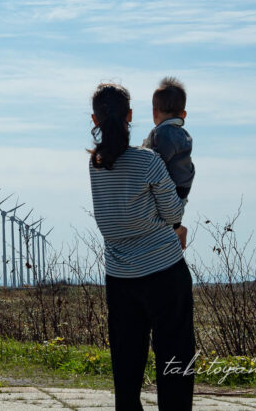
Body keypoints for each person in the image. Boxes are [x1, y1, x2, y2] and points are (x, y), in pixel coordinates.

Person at [88, 82, 195, 410]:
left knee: (127, 363)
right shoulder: (148, 161)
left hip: (120, 276)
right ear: (131, 115)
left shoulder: (96, 166)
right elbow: (173, 212)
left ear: (95, 119)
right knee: (175, 358)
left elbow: (109, 218)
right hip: (164, 270)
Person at [142, 77, 195, 250]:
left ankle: (179, 231)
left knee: (162, 217)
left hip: (173, 183)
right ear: (183, 114)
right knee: (170, 219)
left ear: (154, 112)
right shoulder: (182, 133)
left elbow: (157, 160)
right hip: (182, 184)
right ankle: (177, 230)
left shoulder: (164, 132)